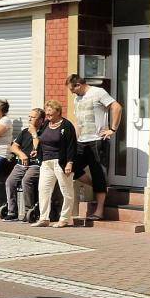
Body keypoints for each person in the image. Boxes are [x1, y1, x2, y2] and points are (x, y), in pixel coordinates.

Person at [67, 74, 122, 220]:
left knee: (97, 173)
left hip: (97, 140)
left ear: (78, 85)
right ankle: (98, 187)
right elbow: (78, 121)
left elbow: (116, 107)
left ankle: (99, 210)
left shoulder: (98, 92)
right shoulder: (77, 99)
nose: (72, 93)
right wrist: (74, 139)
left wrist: (112, 129)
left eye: (72, 89)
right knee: (71, 167)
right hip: (81, 141)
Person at [32, 99, 78, 228]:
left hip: (61, 162)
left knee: (66, 191)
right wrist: (37, 151)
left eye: (50, 112)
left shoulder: (66, 125)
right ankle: (44, 218)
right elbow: (42, 140)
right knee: (43, 190)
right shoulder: (46, 124)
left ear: (58, 111)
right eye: (46, 112)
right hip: (46, 162)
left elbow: (72, 145)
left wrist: (69, 162)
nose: (47, 115)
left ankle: (64, 219)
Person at [3, 107, 45, 222]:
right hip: (21, 164)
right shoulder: (24, 132)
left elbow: (37, 147)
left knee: (26, 180)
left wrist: (34, 133)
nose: (30, 119)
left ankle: (28, 211)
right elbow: (13, 147)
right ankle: (12, 211)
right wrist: (21, 154)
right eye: (29, 117)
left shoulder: (44, 132)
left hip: (36, 164)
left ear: (41, 120)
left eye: (33, 117)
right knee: (10, 181)